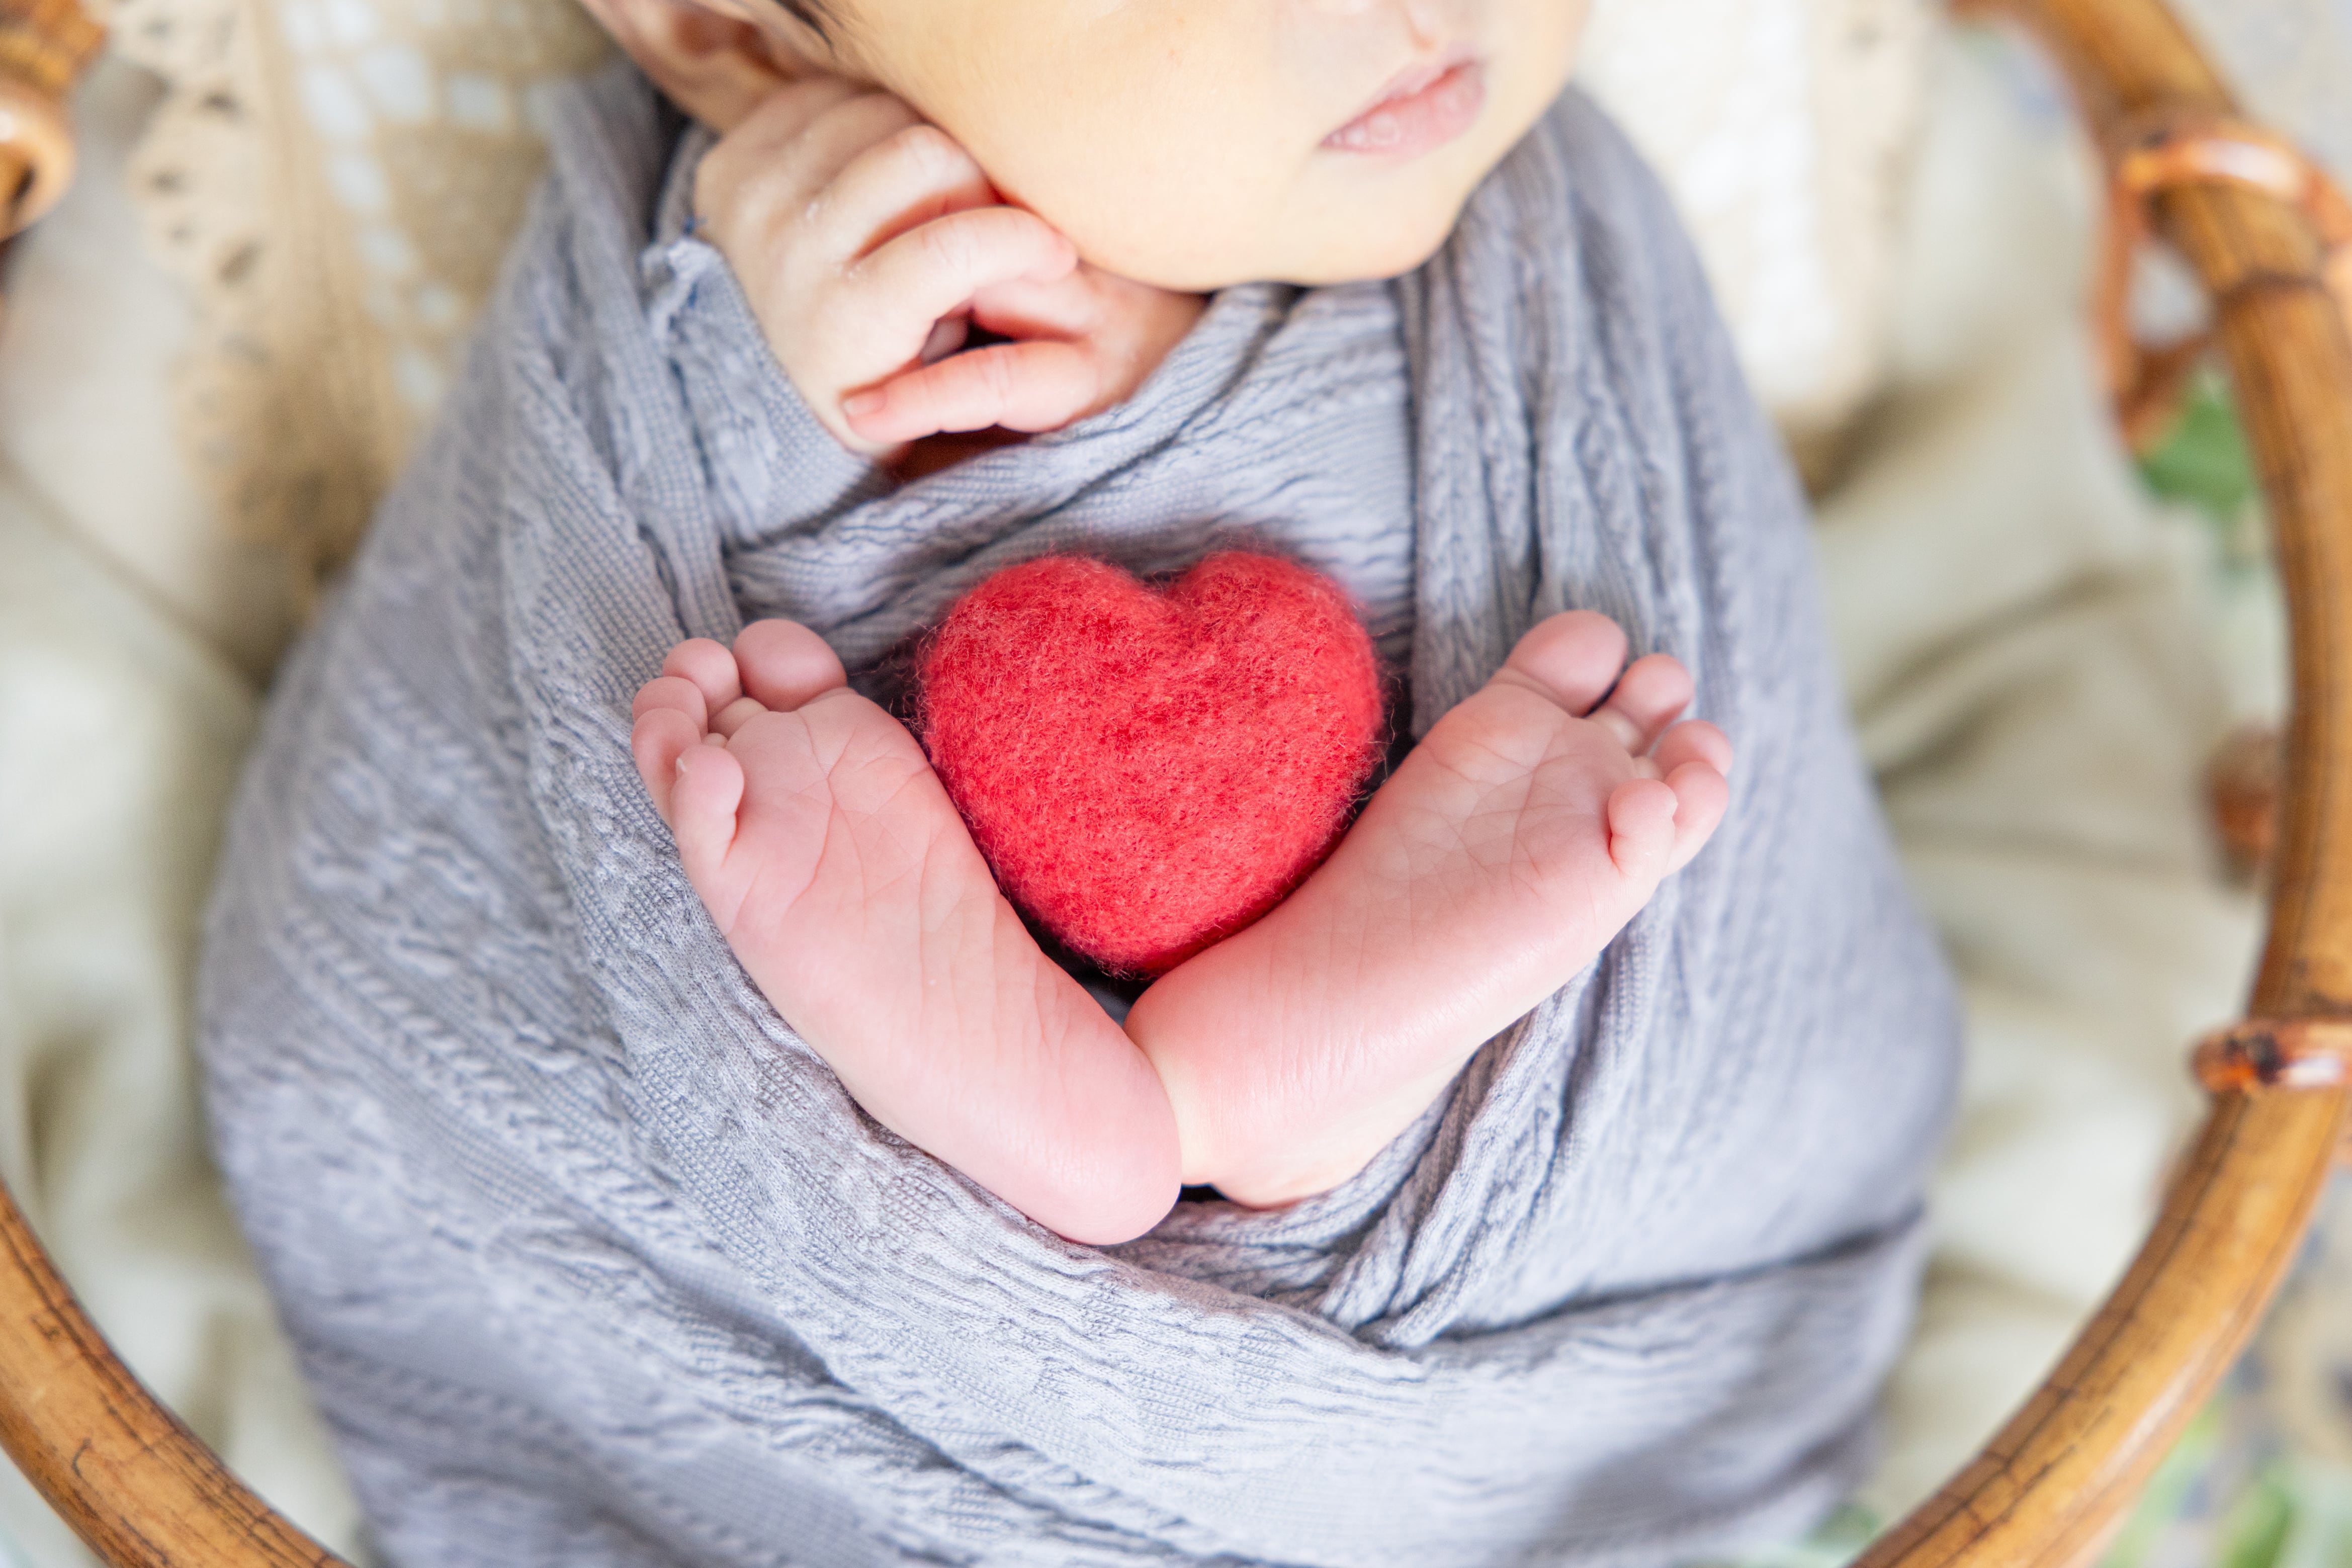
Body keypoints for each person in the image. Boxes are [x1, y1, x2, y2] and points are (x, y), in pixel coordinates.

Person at [197, 0, 1960, 1560]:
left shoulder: (1548, 219)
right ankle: (1171, 1098)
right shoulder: (794, 232)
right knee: (719, 735)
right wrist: (783, 386)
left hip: (1539, 1145)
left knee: (1696, 922)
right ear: (733, 36)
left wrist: (1174, 369)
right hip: (941, 1094)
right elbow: (620, 545)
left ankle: (1179, 1107)